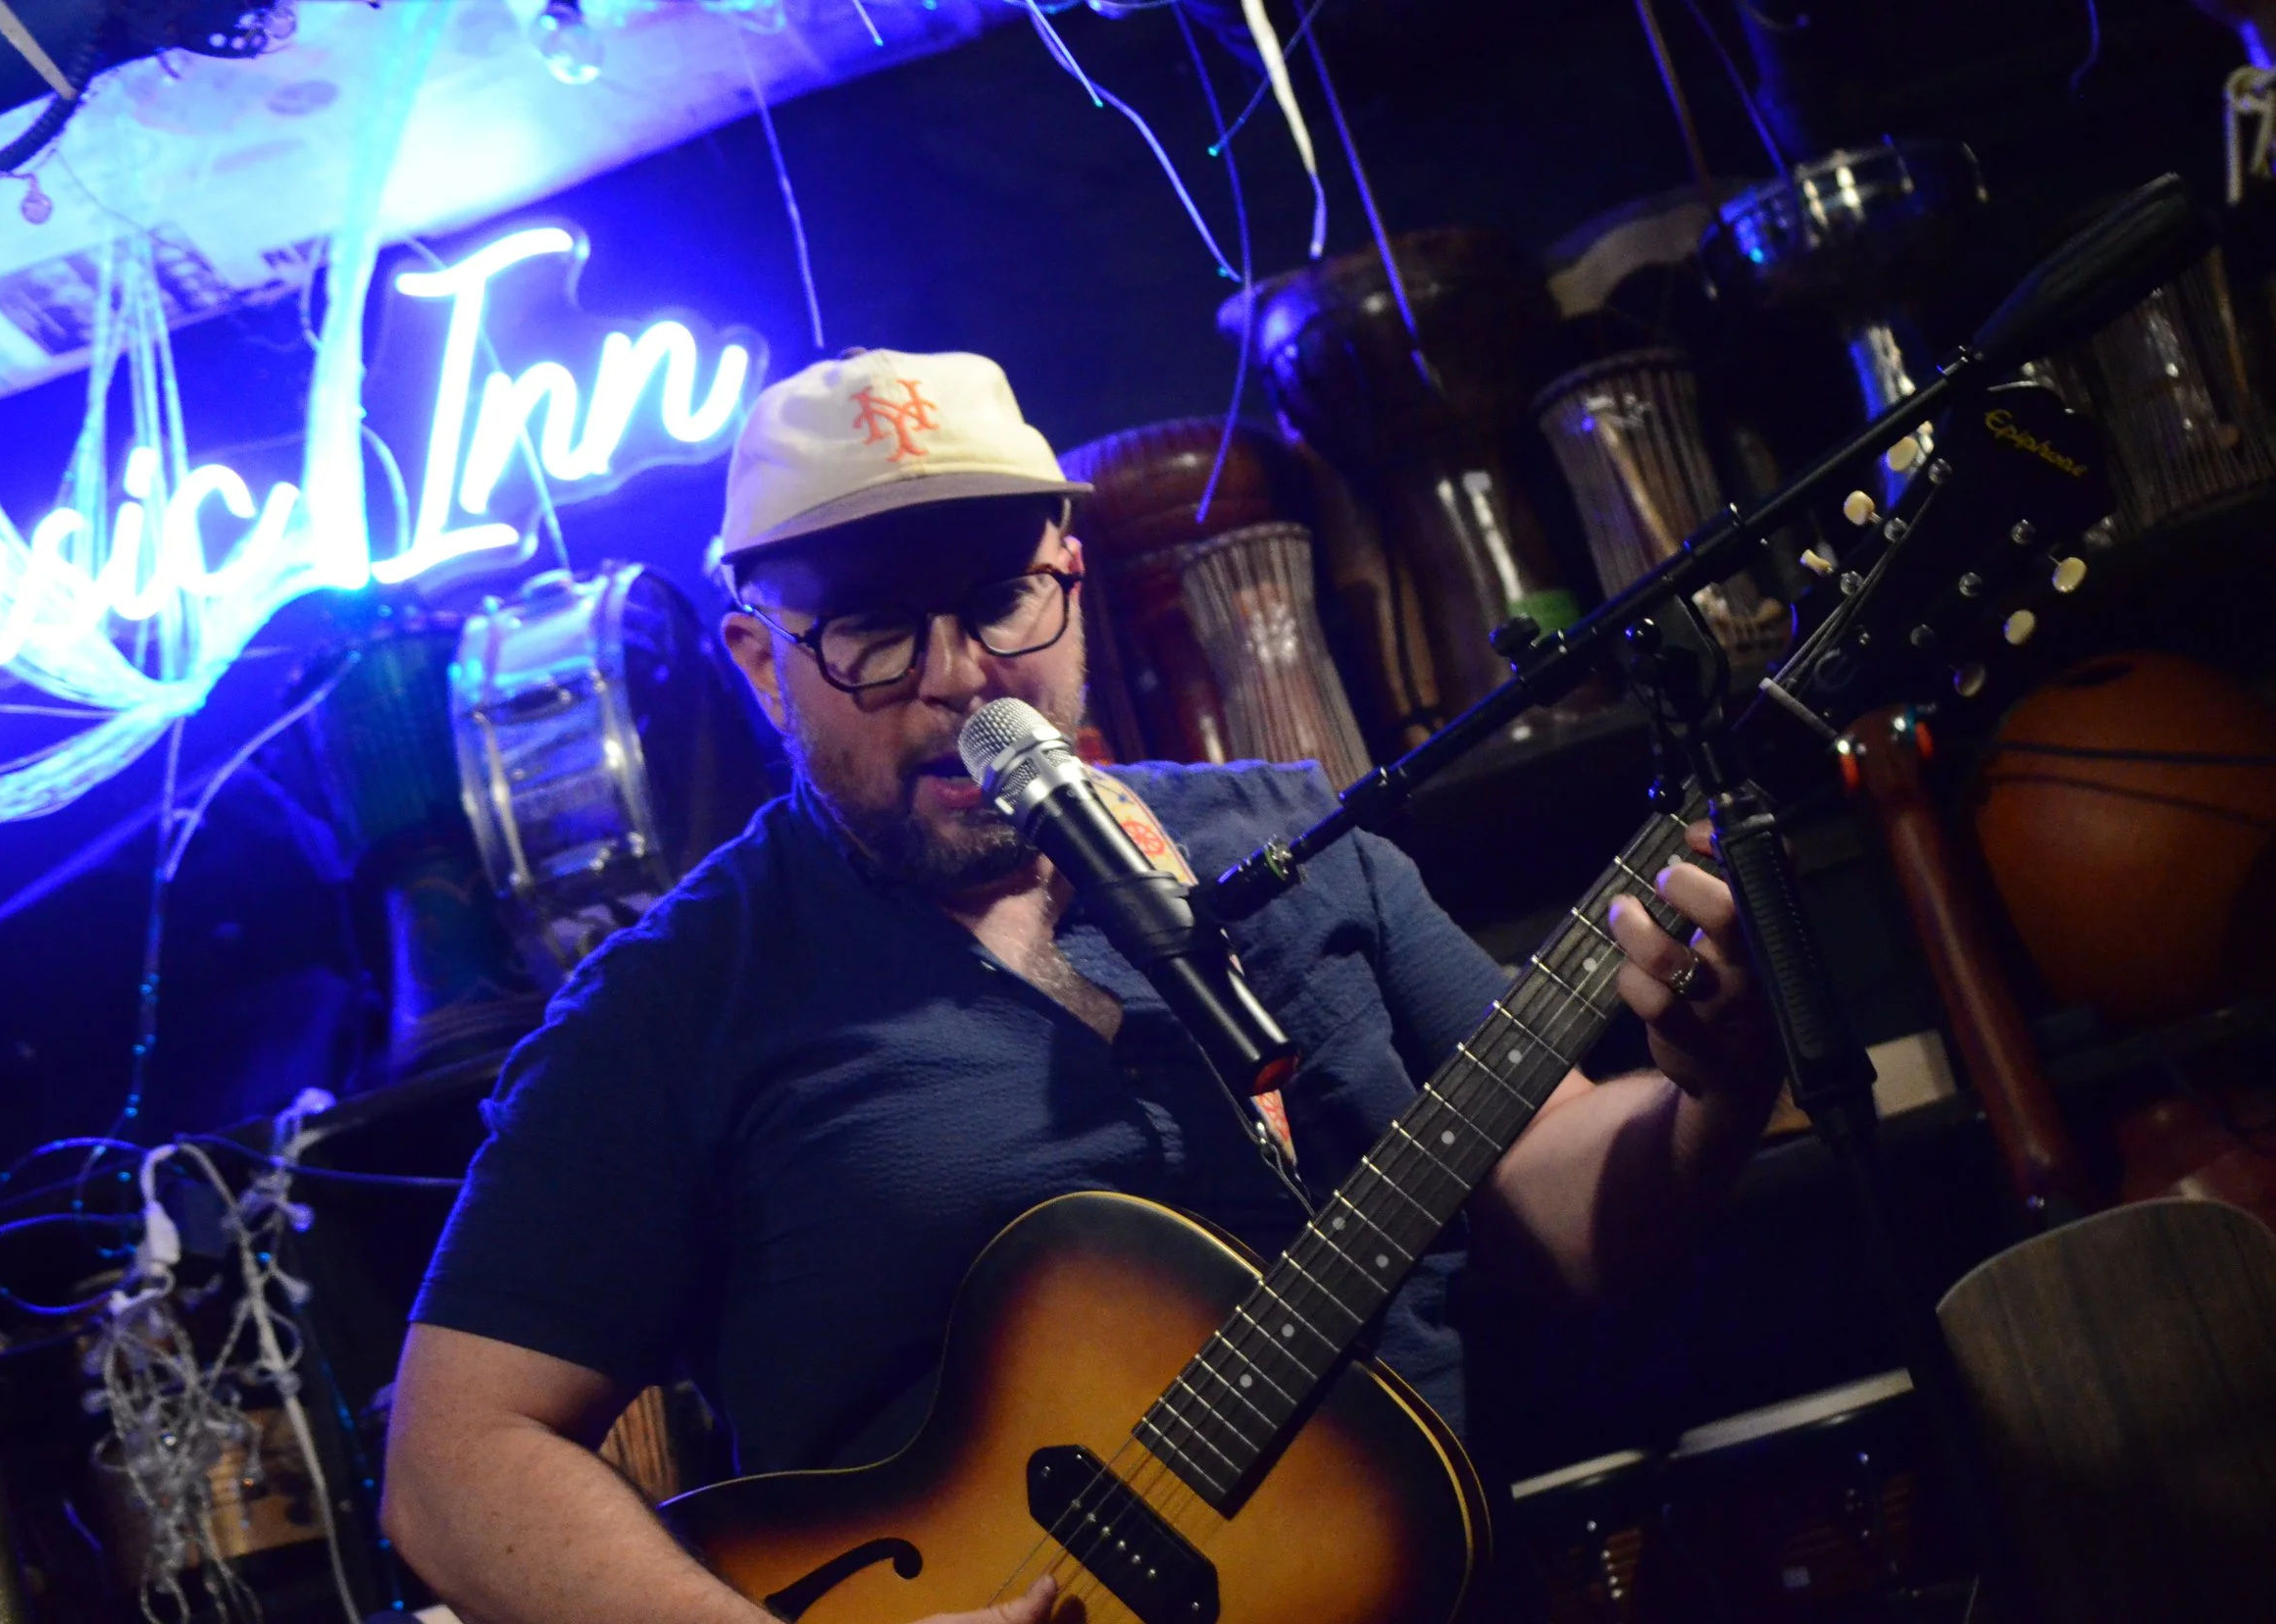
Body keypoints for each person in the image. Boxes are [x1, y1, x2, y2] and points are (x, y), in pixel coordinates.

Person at [381, 350, 1781, 1624]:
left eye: (1002, 602)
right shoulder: (670, 1004)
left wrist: (1716, 1091)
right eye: (872, 629)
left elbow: (1566, 1199)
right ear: (761, 664)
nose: (959, 678)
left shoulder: (1295, 839)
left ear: (1071, 574)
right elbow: (451, 1466)